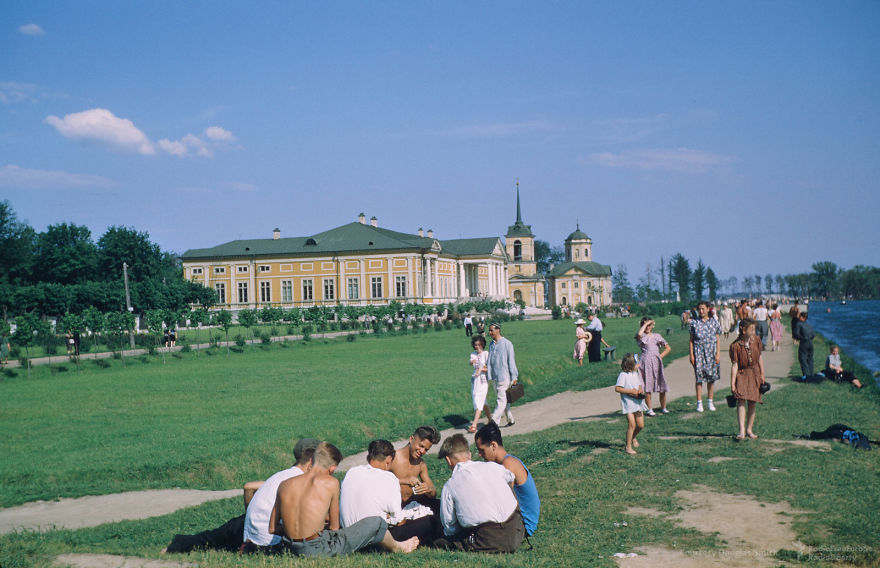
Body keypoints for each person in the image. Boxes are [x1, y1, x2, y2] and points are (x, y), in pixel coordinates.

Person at [165, 438, 319, 554]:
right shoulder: (300, 480)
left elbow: (248, 486)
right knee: (219, 541)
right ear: (311, 462)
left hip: (250, 526)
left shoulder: (281, 475)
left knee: (213, 538)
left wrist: (250, 513)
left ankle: (176, 544)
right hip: (266, 537)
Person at [270, 442, 419, 556]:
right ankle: (398, 547)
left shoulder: (285, 484)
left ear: (311, 460)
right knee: (377, 521)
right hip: (317, 549)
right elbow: (335, 527)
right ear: (332, 469)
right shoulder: (331, 483)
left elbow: (272, 528)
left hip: (289, 547)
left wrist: (297, 533)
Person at [433, 434, 524, 553]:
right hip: (516, 530)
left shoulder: (450, 485)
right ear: (469, 454)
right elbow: (510, 477)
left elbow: (450, 527)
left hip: (487, 540)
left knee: (438, 540)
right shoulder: (493, 467)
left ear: (448, 460)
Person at [341, 440, 437, 545]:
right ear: (388, 460)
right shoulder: (389, 478)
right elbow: (399, 521)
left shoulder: (351, 472)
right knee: (428, 522)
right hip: (371, 540)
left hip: (348, 533)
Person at [474, 423, 540, 537]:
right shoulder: (506, 462)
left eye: (482, 450)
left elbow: (502, 500)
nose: (479, 454)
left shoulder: (508, 464)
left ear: (493, 445)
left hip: (523, 525)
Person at [729, 318, 766, 440]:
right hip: (742, 374)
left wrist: (762, 373)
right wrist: (732, 383)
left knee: (752, 401)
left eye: (754, 329)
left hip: (754, 373)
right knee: (741, 400)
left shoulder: (757, 340)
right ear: (743, 330)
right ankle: (741, 431)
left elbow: (759, 357)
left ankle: (749, 429)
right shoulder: (735, 345)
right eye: (751, 329)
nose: (754, 332)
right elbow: (734, 365)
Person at [391, 426, 441, 506]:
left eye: (426, 449)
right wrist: (404, 481)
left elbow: (433, 494)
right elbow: (376, 482)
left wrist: (429, 489)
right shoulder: (392, 458)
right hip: (393, 507)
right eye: (421, 446)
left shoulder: (421, 464)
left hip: (413, 505)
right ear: (411, 439)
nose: (422, 451)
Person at [689, 300, 722, 412]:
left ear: (708, 309)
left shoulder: (714, 322)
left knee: (711, 378)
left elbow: (717, 338)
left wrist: (718, 353)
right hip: (698, 352)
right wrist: (691, 355)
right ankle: (699, 403)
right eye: (699, 309)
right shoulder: (694, 323)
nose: (701, 311)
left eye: (703, 309)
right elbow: (691, 340)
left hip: (711, 352)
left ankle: (710, 402)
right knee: (699, 379)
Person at [636, 317, 671, 415]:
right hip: (645, 363)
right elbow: (639, 334)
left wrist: (659, 357)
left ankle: (663, 407)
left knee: (661, 384)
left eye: (649, 325)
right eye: (645, 325)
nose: (647, 327)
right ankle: (649, 409)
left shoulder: (657, 336)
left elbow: (668, 348)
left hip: (656, 363)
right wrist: (646, 324)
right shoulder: (641, 336)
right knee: (647, 385)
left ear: (652, 326)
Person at [615, 354, 648, 455]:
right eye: (637, 363)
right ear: (630, 365)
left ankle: (632, 437)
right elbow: (617, 388)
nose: (638, 365)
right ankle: (628, 447)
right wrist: (630, 391)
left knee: (640, 425)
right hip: (628, 403)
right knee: (632, 424)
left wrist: (640, 389)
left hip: (638, 402)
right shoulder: (623, 375)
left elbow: (639, 384)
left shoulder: (635, 373)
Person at [487, 323, 518, 426]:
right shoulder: (491, 344)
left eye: (491, 330)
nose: (489, 332)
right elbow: (490, 360)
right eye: (489, 330)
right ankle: (510, 419)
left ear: (498, 330)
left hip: (504, 377)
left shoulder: (507, 344)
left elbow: (511, 361)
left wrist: (514, 376)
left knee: (501, 401)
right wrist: (488, 374)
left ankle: (493, 423)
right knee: (504, 400)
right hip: (494, 377)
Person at [468, 336, 492, 433]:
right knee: (481, 400)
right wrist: (472, 362)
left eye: (479, 345)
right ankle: (491, 420)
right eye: (475, 345)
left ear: (482, 344)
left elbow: (490, 368)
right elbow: (470, 362)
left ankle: (474, 424)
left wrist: (481, 369)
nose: (477, 346)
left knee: (480, 400)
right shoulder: (473, 354)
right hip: (475, 380)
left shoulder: (486, 354)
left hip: (483, 380)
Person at [794, 312, 816, 380]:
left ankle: (806, 375)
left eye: (799, 316)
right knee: (810, 359)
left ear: (802, 317)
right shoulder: (808, 325)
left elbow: (796, 334)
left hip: (804, 342)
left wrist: (801, 338)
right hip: (810, 343)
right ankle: (811, 374)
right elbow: (813, 335)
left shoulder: (798, 324)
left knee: (802, 358)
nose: (798, 317)